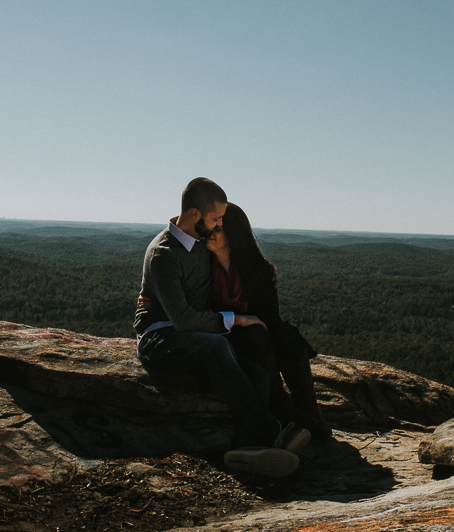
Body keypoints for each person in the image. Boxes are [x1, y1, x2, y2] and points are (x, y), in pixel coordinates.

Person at [134, 178, 309, 477]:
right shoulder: (164, 254)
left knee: (257, 377)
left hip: (195, 338)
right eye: (215, 219)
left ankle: (246, 449)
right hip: (159, 338)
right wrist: (237, 320)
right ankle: (272, 435)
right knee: (218, 346)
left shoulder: (202, 243)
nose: (218, 226)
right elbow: (183, 320)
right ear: (194, 215)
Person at [203, 203, 331, 441]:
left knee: (288, 337)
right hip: (222, 336)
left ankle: (308, 408)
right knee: (254, 336)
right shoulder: (201, 266)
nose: (210, 232)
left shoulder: (260, 271)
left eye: (218, 227)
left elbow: (270, 317)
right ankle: (280, 405)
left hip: (256, 335)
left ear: (234, 232)